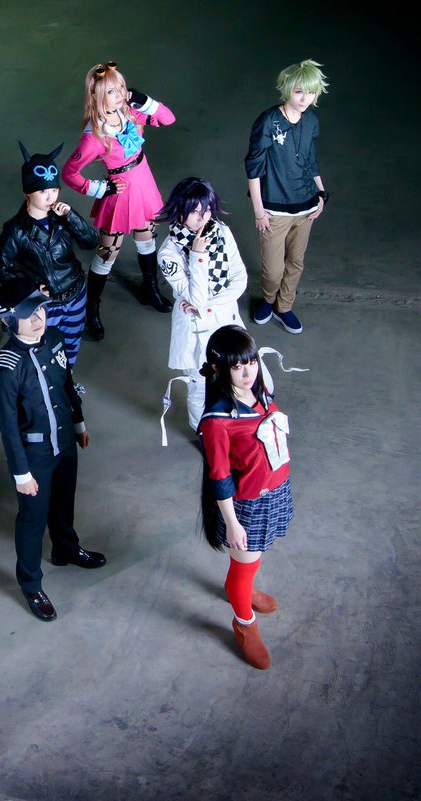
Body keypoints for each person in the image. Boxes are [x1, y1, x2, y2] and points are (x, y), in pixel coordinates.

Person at [0, 279, 106, 623]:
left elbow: (67, 383)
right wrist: (21, 473)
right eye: (28, 315)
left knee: (64, 500)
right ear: (8, 321)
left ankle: (65, 548)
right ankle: (30, 583)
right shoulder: (7, 368)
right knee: (32, 518)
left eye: (40, 310)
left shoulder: (54, 338)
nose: (38, 319)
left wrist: (79, 423)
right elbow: (8, 427)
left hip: (64, 441)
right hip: (35, 453)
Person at [198, 326, 294, 670]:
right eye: (237, 367)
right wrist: (232, 522)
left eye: (251, 361)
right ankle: (244, 623)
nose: (248, 372)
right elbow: (219, 476)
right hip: (248, 504)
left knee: (253, 559)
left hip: (275, 491)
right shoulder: (218, 420)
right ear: (219, 369)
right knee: (243, 565)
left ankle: (245, 588)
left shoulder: (260, 393)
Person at [63, 61, 177, 339]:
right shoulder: (95, 137)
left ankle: (150, 289)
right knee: (108, 251)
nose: (121, 94)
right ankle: (91, 308)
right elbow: (69, 173)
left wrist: (146, 101)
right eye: (112, 91)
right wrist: (100, 189)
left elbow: (168, 119)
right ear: (96, 96)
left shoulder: (131, 112)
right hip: (121, 193)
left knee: (147, 237)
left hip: (144, 184)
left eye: (122, 87)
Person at [153, 178, 248, 438]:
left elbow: (240, 278)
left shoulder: (221, 231)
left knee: (238, 372)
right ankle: (202, 432)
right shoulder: (169, 253)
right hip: (196, 329)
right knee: (200, 385)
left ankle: (236, 421)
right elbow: (196, 298)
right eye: (195, 211)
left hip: (226, 318)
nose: (202, 217)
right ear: (180, 209)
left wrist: (210, 305)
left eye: (206, 210)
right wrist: (197, 256)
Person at [0, 141, 99, 368]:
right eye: (42, 191)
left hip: (75, 291)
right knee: (42, 344)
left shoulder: (62, 217)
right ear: (27, 193)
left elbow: (91, 242)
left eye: (54, 190)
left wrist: (72, 217)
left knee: (72, 340)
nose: (50, 197)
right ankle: (43, 381)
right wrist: (30, 289)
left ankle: (66, 378)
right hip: (45, 302)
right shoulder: (16, 230)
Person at [245, 59, 329, 335]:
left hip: (306, 207)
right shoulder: (268, 121)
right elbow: (253, 166)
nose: (305, 98)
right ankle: (268, 301)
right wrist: (259, 211)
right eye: (299, 91)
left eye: (311, 92)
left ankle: (284, 306)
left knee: (296, 262)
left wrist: (321, 193)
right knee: (273, 270)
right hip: (274, 209)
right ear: (287, 89)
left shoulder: (311, 121)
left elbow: (310, 159)